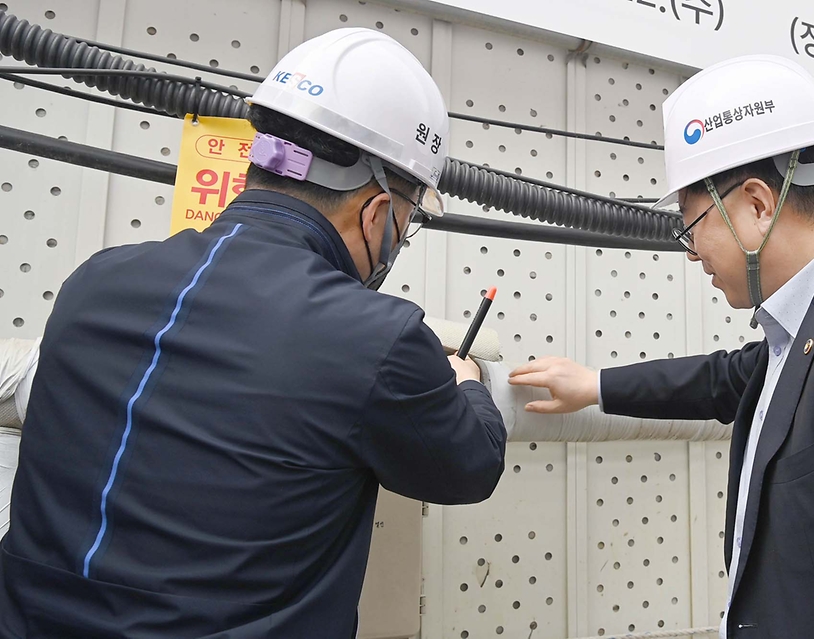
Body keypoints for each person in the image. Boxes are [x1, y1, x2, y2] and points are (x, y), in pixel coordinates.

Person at [0, 28, 506, 638]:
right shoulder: (377, 337)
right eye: (406, 221)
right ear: (376, 212)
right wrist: (466, 382)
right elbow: (469, 466)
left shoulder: (95, 282)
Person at [510, 55, 814, 638]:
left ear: (756, 204)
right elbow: (722, 380)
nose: (692, 253)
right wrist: (594, 384)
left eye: (692, 227)